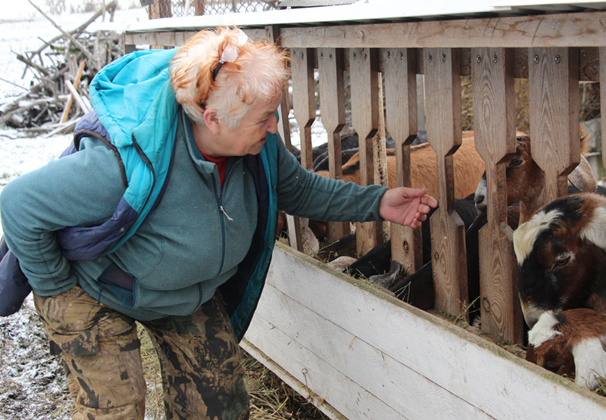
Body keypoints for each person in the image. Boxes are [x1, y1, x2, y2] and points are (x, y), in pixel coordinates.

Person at [0, 26, 437, 420]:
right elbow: (19, 205)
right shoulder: (123, 163)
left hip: (180, 295)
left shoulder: (256, 146)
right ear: (212, 119)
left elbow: (300, 190)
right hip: (91, 287)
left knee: (220, 410)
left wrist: (379, 202)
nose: (274, 127)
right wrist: (54, 285)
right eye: (264, 118)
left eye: (274, 115)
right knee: (116, 409)